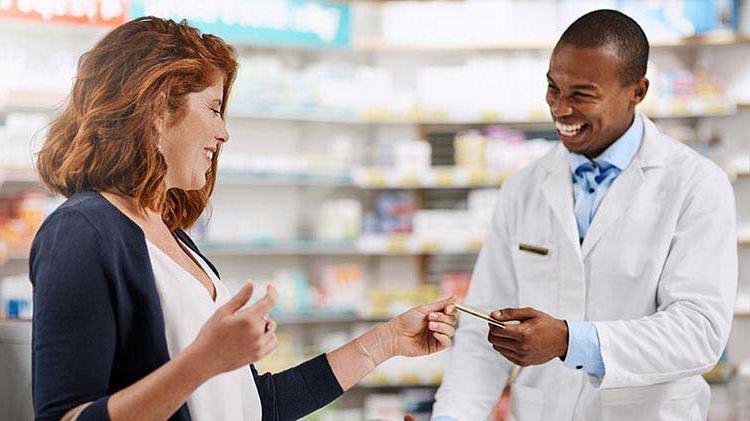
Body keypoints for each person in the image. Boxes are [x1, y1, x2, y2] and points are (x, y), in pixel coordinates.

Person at [30, 17, 457, 421]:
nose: (224, 133)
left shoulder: (170, 234)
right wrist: (203, 362)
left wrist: (385, 341)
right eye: (214, 109)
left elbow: (253, 406)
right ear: (158, 109)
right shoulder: (81, 231)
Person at [432, 9, 737, 421]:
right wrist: (452, 417)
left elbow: (699, 332)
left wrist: (570, 341)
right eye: (553, 89)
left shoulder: (697, 185)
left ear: (637, 90)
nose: (560, 109)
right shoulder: (524, 187)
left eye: (581, 95)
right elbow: (483, 332)